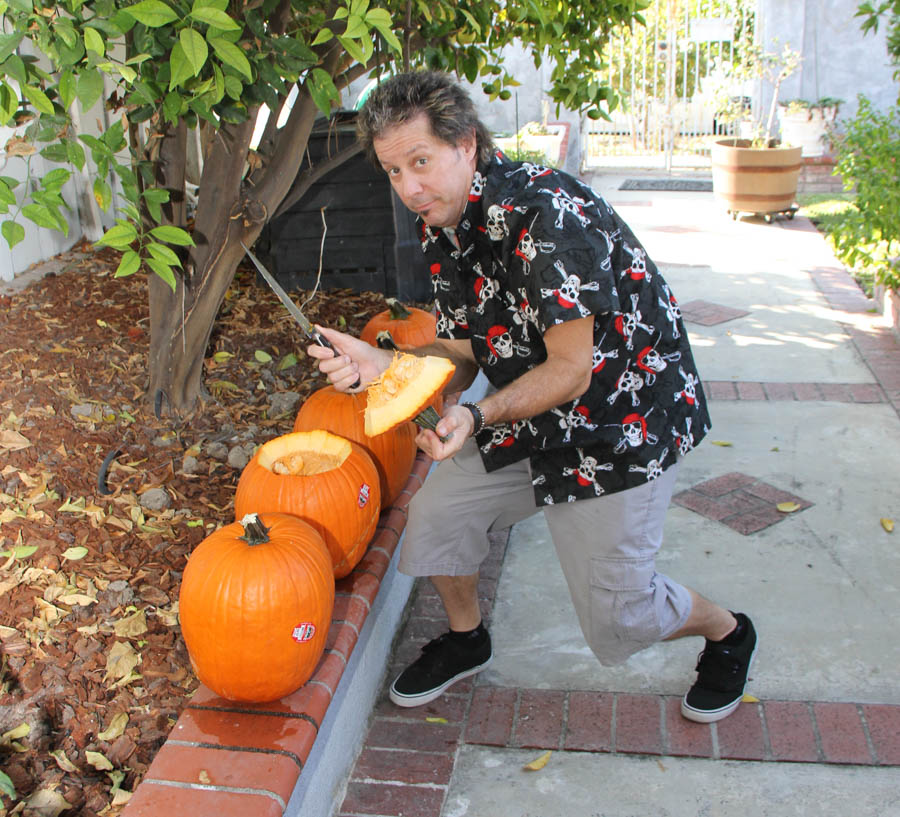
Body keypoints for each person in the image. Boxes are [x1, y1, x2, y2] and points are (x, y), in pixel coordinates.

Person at [308, 70, 757, 724]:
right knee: (437, 517)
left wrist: (475, 413)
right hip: (533, 412)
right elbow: (462, 350)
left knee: (620, 617)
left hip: (619, 422)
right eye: (392, 170)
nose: (407, 187)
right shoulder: (445, 224)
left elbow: (572, 371)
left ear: (465, 143)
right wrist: (384, 363)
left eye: (420, 162)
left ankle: (728, 631)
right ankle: (468, 638)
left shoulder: (548, 213)